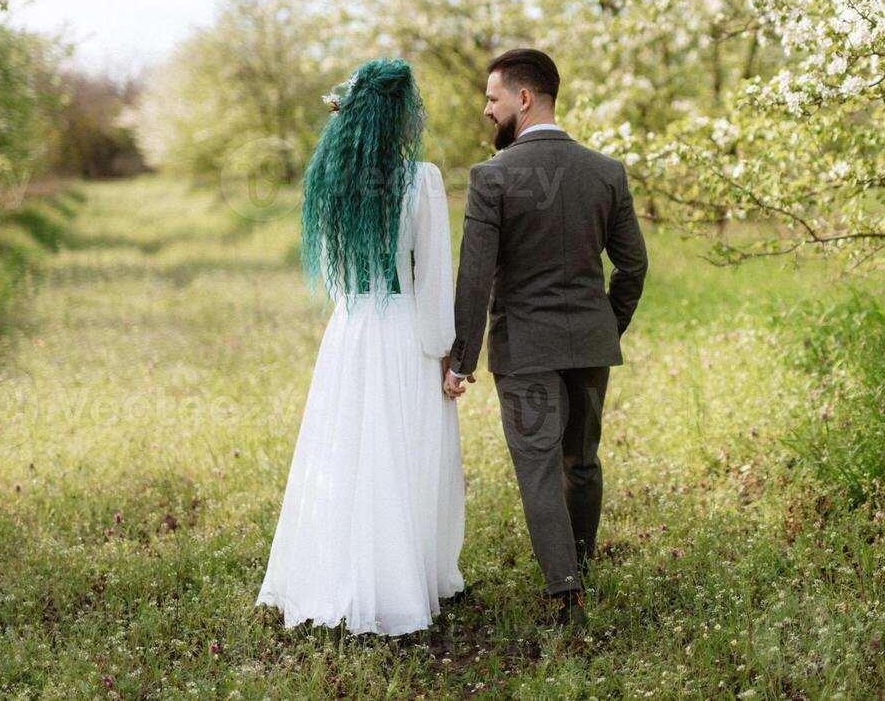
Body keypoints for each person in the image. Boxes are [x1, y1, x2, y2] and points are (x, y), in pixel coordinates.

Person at [256, 58, 467, 637]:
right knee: (402, 449)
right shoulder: (419, 179)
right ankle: (401, 579)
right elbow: (431, 281)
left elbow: (330, 267)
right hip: (400, 329)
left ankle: (338, 569)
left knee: (347, 448)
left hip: (350, 330)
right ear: (399, 117)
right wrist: (445, 356)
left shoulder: (329, 183)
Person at [446, 47, 649, 631]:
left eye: (493, 98)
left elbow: (476, 277)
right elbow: (633, 267)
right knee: (580, 463)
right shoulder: (605, 171)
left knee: (538, 467)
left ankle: (566, 597)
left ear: (524, 98)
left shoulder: (491, 177)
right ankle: (578, 572)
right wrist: (606, 325)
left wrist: (462, 360)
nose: (487, 110)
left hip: (527, 350)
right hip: (589, 345)